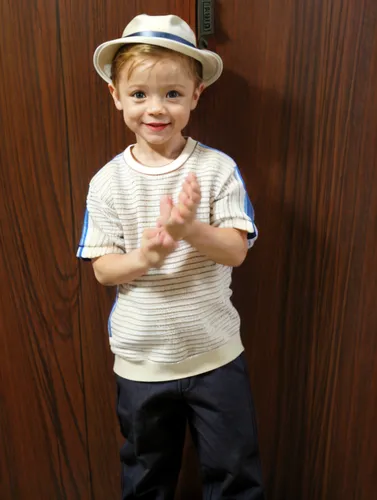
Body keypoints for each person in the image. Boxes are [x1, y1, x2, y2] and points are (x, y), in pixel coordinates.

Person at [77, 13, 264, 500]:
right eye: (139, 94)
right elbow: (102, 268)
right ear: (115, 96)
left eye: (172, 94)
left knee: (235, 474)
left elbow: (236, 250)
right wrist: (146, 256)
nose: (155, 108)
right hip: (141, 364)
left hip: (217, 357)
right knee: (145, 477)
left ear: (195, 95)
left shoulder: (217, 168)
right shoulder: (107, 182)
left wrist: (188, 229)